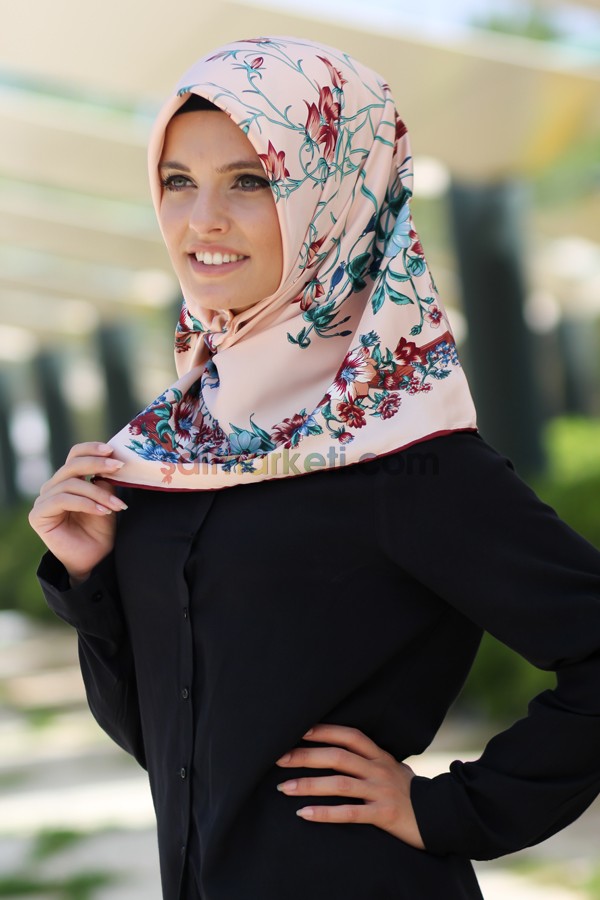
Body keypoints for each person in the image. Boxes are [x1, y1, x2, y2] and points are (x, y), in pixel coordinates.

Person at [29, 36, 600, 900]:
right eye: (178, 181)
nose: (201, 220)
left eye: (250, 181)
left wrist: (453, 809)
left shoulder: (403, 454)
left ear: (335, 195)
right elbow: (170, 749)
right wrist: (92, 581)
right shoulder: (165, 457)